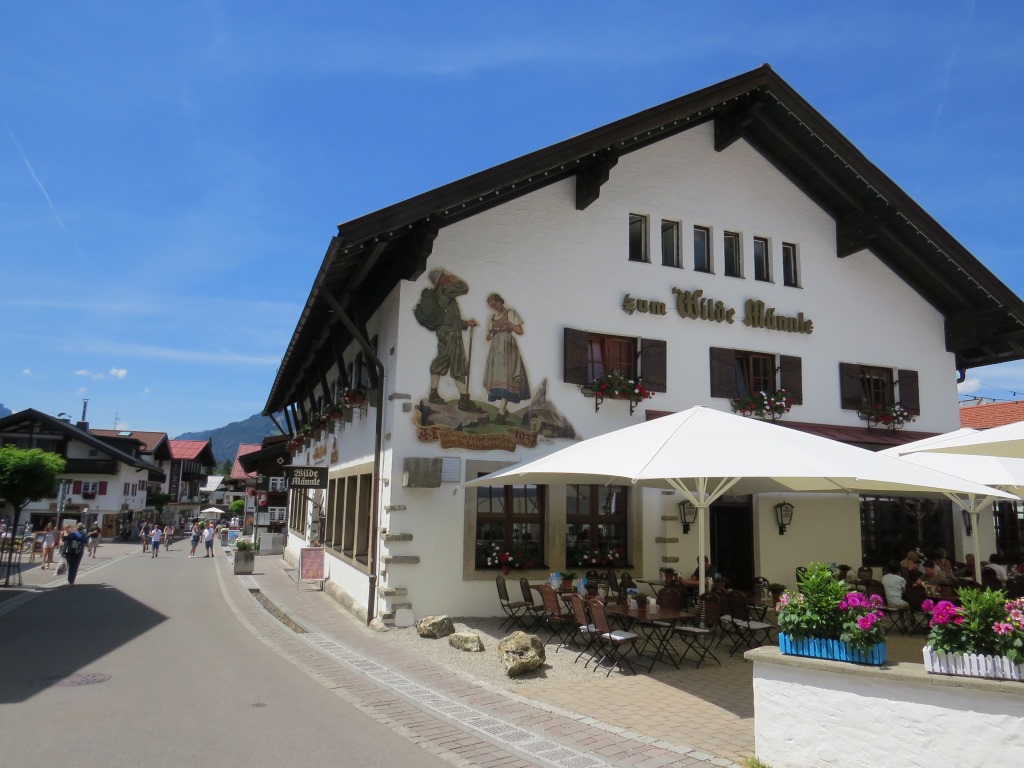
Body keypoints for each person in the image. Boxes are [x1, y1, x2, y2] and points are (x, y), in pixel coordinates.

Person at [420, 268, 484, 413]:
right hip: (451, 333)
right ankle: (464, 399)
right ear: (441, 279)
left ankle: (433, 393)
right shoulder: (444, 289)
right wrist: (454, 278)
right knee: (458, 363)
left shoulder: (436, 294)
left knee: (442, 360)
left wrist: (465, 323)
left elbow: (449, 318)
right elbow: (464, 287)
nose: (447, 276)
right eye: (445, 275)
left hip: (442, 332)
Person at [482, 292, 531, 424]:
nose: (494, 307)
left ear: (500, 301)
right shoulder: (492, 317)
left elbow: (520, 331)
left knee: (507, 377)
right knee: (497, 377)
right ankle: (502, 411)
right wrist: (490, 335)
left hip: (508, 347)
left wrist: (511, 324)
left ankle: (501, 411)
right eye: (491, 306)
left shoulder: (510, 313)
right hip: (496, 349)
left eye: (495, 304)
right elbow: (489, 336)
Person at [881, 560, 909, 631]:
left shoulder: (884, 577)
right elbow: (905, 592)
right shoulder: (901, 579)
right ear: (899, 569)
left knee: (902, 605)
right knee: (908, 606)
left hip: (886, 603)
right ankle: (910, 626)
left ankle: (903, 625)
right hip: (896, 603)